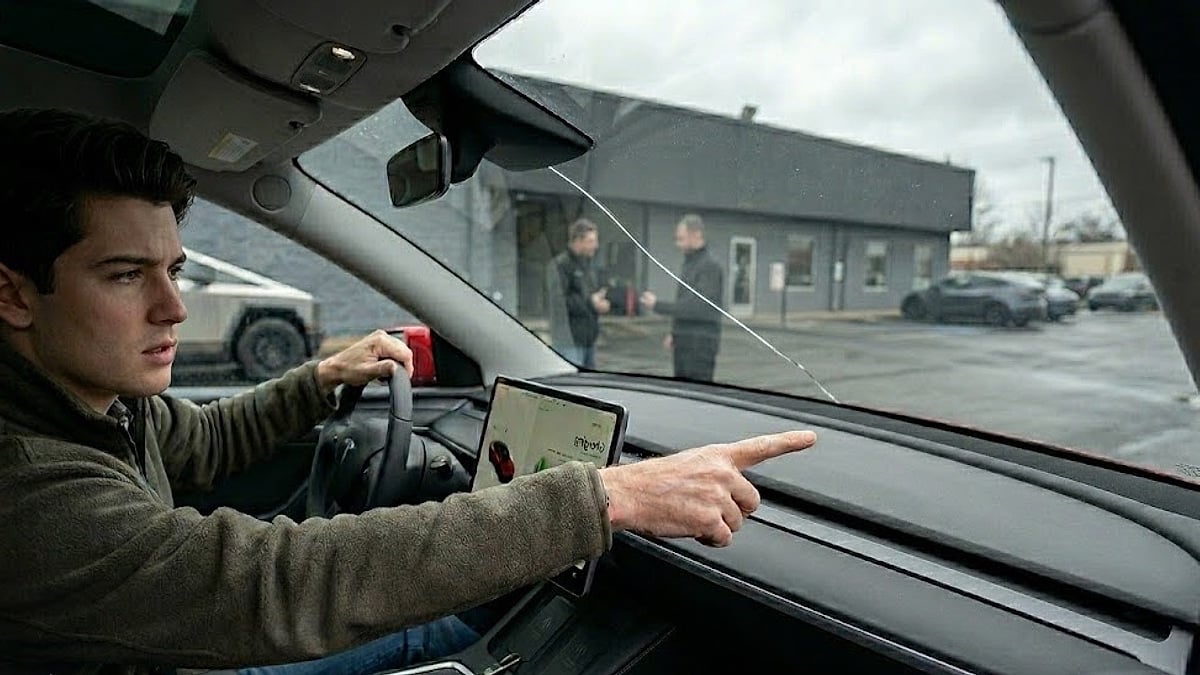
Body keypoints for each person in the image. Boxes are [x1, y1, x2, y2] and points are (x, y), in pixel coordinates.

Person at [0, 108, 818, 675]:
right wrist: (602, 499)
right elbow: (272, 583)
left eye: (174, 270)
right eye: (124, 275)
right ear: (14, 294)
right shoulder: (27, 488)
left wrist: (321, 379)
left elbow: (205, 441)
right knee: (453, 626)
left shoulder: (99, 403)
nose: (173, 306)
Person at [640, 214, 725, 382]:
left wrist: (657, 305)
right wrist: (675, 333)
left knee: (697, 395)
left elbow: (696, 307)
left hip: (701, 347)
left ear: (696, 235)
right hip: (685, 343)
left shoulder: (710, 267)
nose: (677, 244)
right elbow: (684, 301)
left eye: (681, 239)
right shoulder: (689, 263)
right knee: (681, 389)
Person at [545, 218, 609, 368]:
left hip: (588, 340)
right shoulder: (559, 266)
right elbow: (559, 302)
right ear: (578, 241)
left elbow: (589, 296)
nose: (596, 246)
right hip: (569, 341)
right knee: (572, 385)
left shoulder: (587, 265)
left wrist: (599, 303)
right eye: (591, 241)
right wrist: (590, 302)